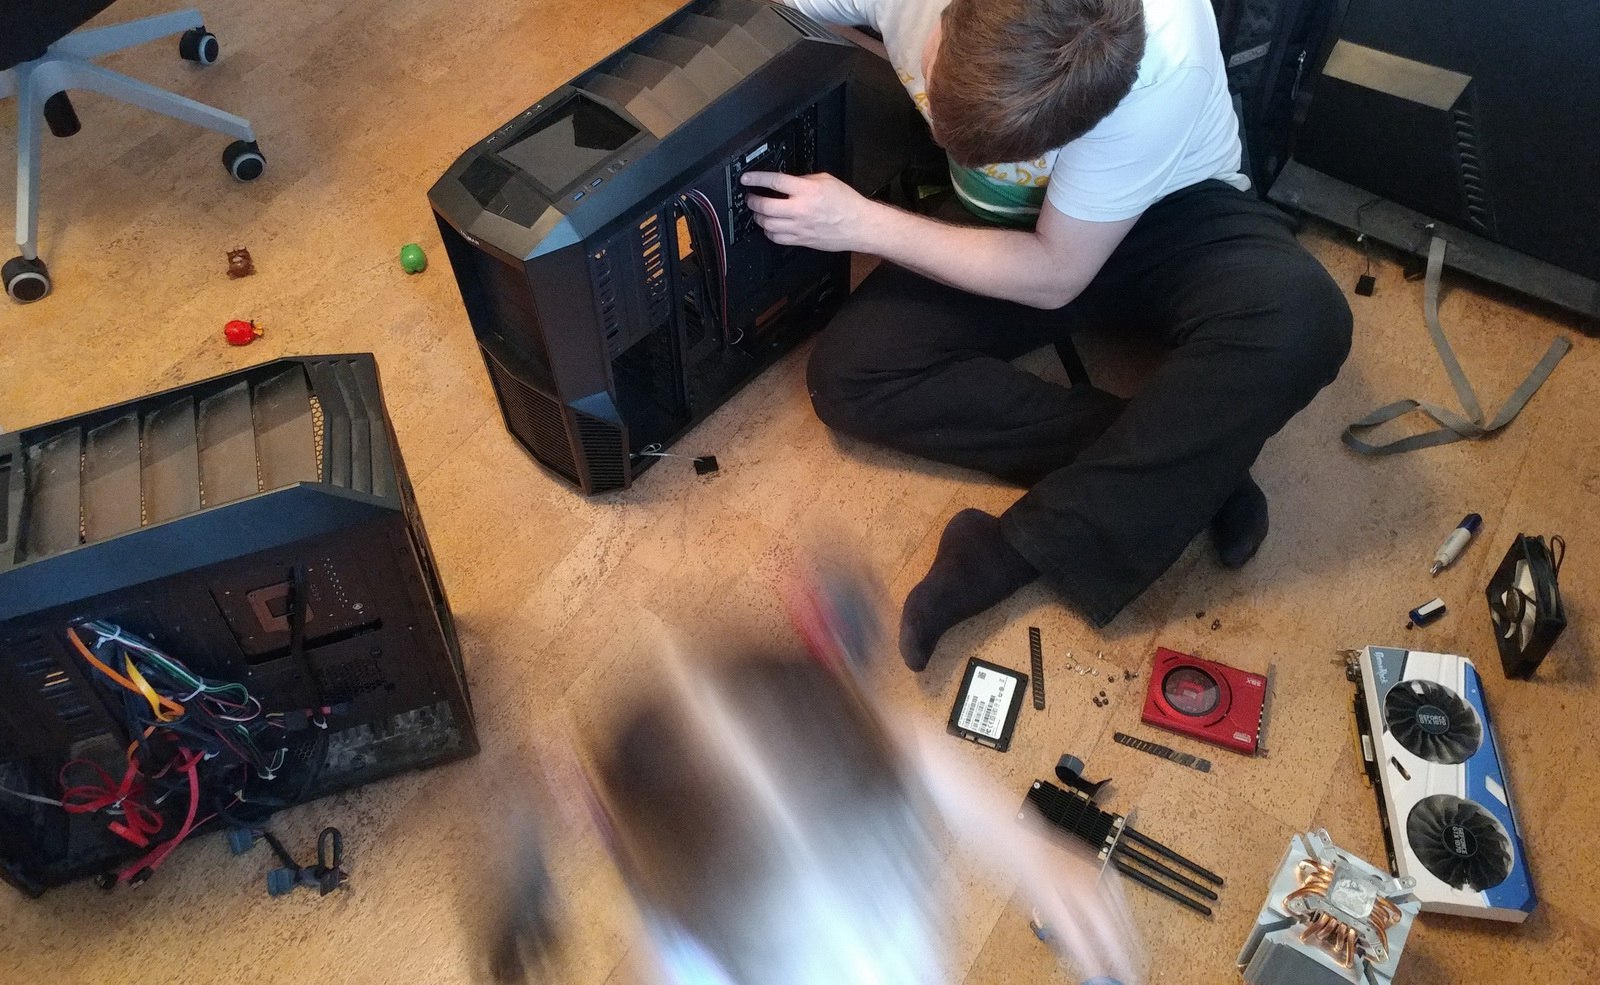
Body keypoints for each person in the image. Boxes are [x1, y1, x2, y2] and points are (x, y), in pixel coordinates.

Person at [742, 0, 1353, 670]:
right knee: (853, 374)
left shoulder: (1166, 50)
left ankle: (1005, 551)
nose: (940, 136)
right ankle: (1195, 469)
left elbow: (1058, 273)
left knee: (1303, 318)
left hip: (1174, 210)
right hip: (1005, 219)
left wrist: (864, 224)